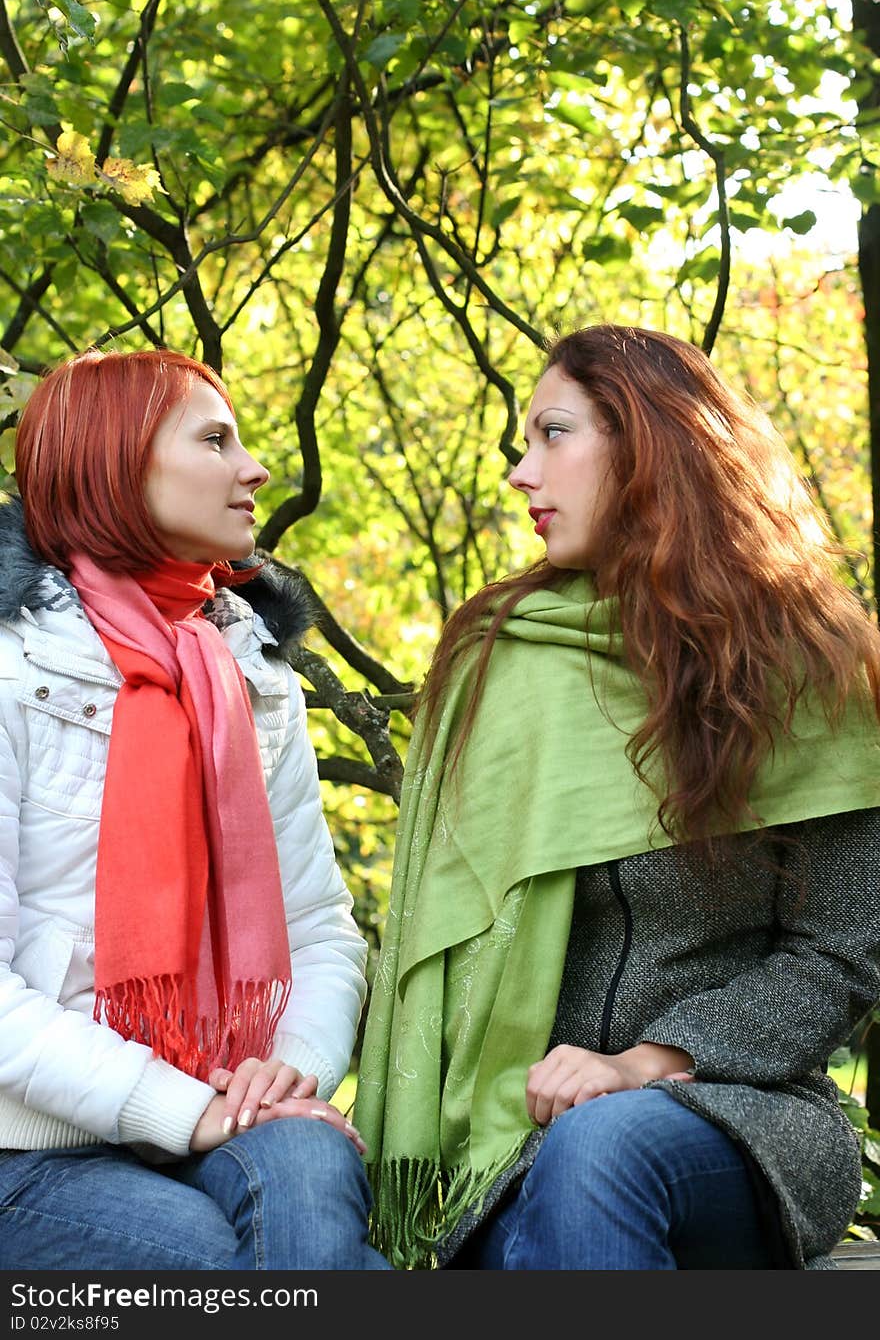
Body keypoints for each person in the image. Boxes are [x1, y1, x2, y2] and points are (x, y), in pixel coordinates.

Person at [353, 323, 880, 1271]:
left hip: (743, 1113)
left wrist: (649, 1063)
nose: (522, 472)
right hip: (510, 1129)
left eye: (553, 434)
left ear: (647, 448)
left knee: (602, 1149)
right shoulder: (499, 663)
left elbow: (842, 951)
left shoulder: (809, 675)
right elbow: (436, 942)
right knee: (538, 1213)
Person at [0, 347, 391, 1270]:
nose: (254, 470)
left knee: (305, 1167)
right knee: (217, 1265)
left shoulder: (252, 676)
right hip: (29, 1146)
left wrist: (288, 1069)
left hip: (227, 1101)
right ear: (114, 465)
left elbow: (321, 931)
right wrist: (182, 1109)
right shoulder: (11, 674)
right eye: (215, 440)